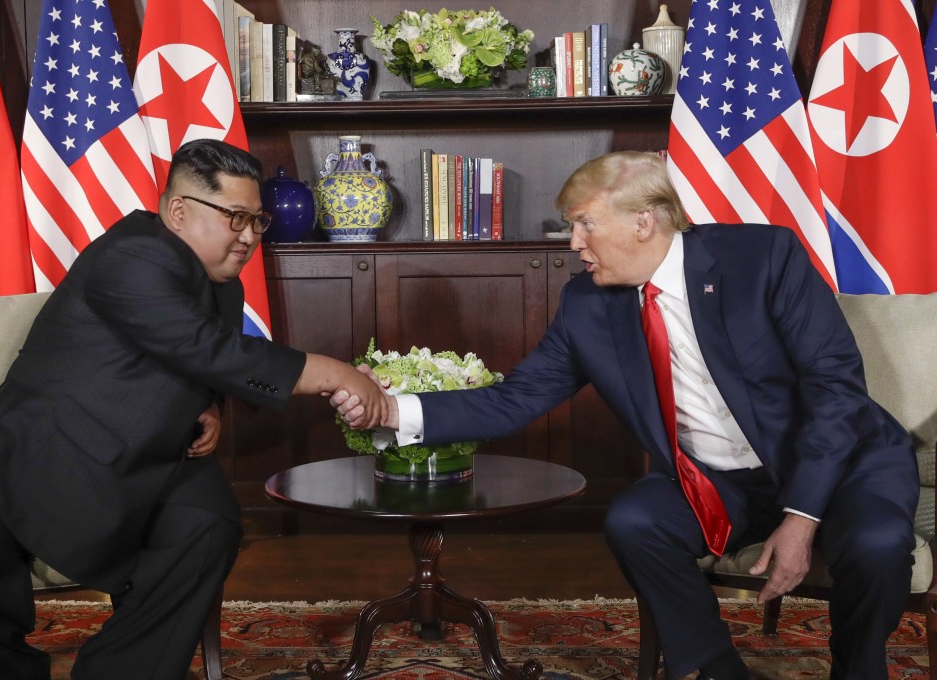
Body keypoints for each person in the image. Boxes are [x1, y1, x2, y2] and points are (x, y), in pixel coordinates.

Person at [334, 151, 918, 679]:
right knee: (636, 520)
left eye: (584, 222)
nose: (572, 243)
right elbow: (515, 398)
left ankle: (857, 664)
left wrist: (802, 515)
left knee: (877, 542)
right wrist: (389, 408)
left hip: (839, 464)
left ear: (644, 220)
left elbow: (835, 388)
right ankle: (717, 667)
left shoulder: (763, 258)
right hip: (721, 481)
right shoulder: (589, 304)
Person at [0, 138, 387, 679]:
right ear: (180, 211)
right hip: (39, 442)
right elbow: (203, 347)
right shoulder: (134, 252)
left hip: (153, 450)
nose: (249, 237)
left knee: (208, 525)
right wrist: (337, 374)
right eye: (236, 217)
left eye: (257, 221)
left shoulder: (218, 279)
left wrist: (209, 405)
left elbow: (198, 361)